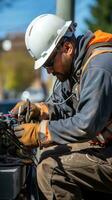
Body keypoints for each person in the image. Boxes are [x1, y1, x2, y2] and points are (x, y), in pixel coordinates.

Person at [11, 14, 112, 200]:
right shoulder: (76, 67)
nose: (48, 71)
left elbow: (85, 125)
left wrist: (38, 133)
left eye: (49, 63)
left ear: (67, 47)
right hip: (107, 145)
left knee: (51, 170)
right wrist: (38, 109)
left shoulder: (98, 67)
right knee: (49, 153)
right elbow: (63, 106)